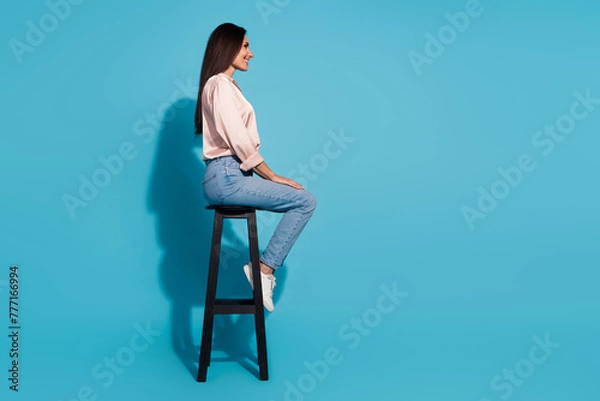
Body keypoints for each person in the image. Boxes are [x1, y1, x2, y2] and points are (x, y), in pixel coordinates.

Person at [194, 22, 317, 312]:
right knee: (305, 201)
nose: (251, 53)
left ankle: (262, 270)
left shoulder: (225, 86)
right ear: (229, 46)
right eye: (246, 45)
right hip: (226, 177)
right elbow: (238, 139)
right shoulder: (219, 84)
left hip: (227, 176)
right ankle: (263, 270)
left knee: (302, 200)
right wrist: (272, 176)